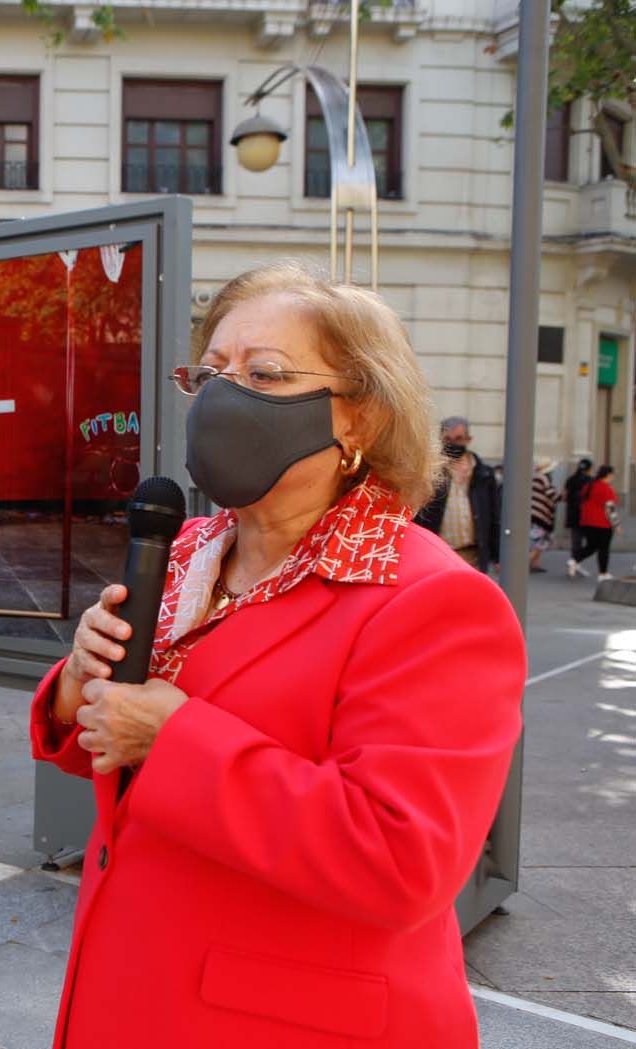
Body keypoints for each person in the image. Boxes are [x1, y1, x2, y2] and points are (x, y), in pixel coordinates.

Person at [31, 263, 524, 1049]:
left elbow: (401, 859)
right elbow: (114, 745)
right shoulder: (186, 549)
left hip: (286, 1020)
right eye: (213, 372)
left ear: (357, 417)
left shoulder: (433, 600)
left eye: (264, 373)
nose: (224, 396)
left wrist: (172, 738)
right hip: (134, 991)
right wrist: (80, 684)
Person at [414, 415, 500, 572]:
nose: (454, 443)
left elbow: (494, 515)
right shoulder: (430, 472)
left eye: (459, 439)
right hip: (438, 554)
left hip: (473, 555)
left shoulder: (483, 473)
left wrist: (497, 555)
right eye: (448, 439)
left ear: (468, 439)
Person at [570, 464, 619, 582]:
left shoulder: (589, 486)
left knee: (592, 546)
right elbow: (610, 509)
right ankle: (603, 573)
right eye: (612, 475)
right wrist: (616, 525)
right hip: (602, 523)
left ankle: (574, 559)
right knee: (603, 548)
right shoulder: (607, 489)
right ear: (609, 475)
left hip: (586, 521)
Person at [563, 457, 593, 575]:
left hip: (572, 514)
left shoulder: (571, 479)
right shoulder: (590, 481)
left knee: (576, 540)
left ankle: (574, 564)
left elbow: (565, 495)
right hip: (586, 515)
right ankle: (575, 561)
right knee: (592, 542)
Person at [528, 459, 558, 573]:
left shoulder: (534, 477)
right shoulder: (543, 478)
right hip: (540, 515)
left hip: (533, 513)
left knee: (538, 541)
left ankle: (535, 563)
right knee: (539, 542)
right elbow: (551, 495)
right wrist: (561, 496)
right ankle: (526, 563)